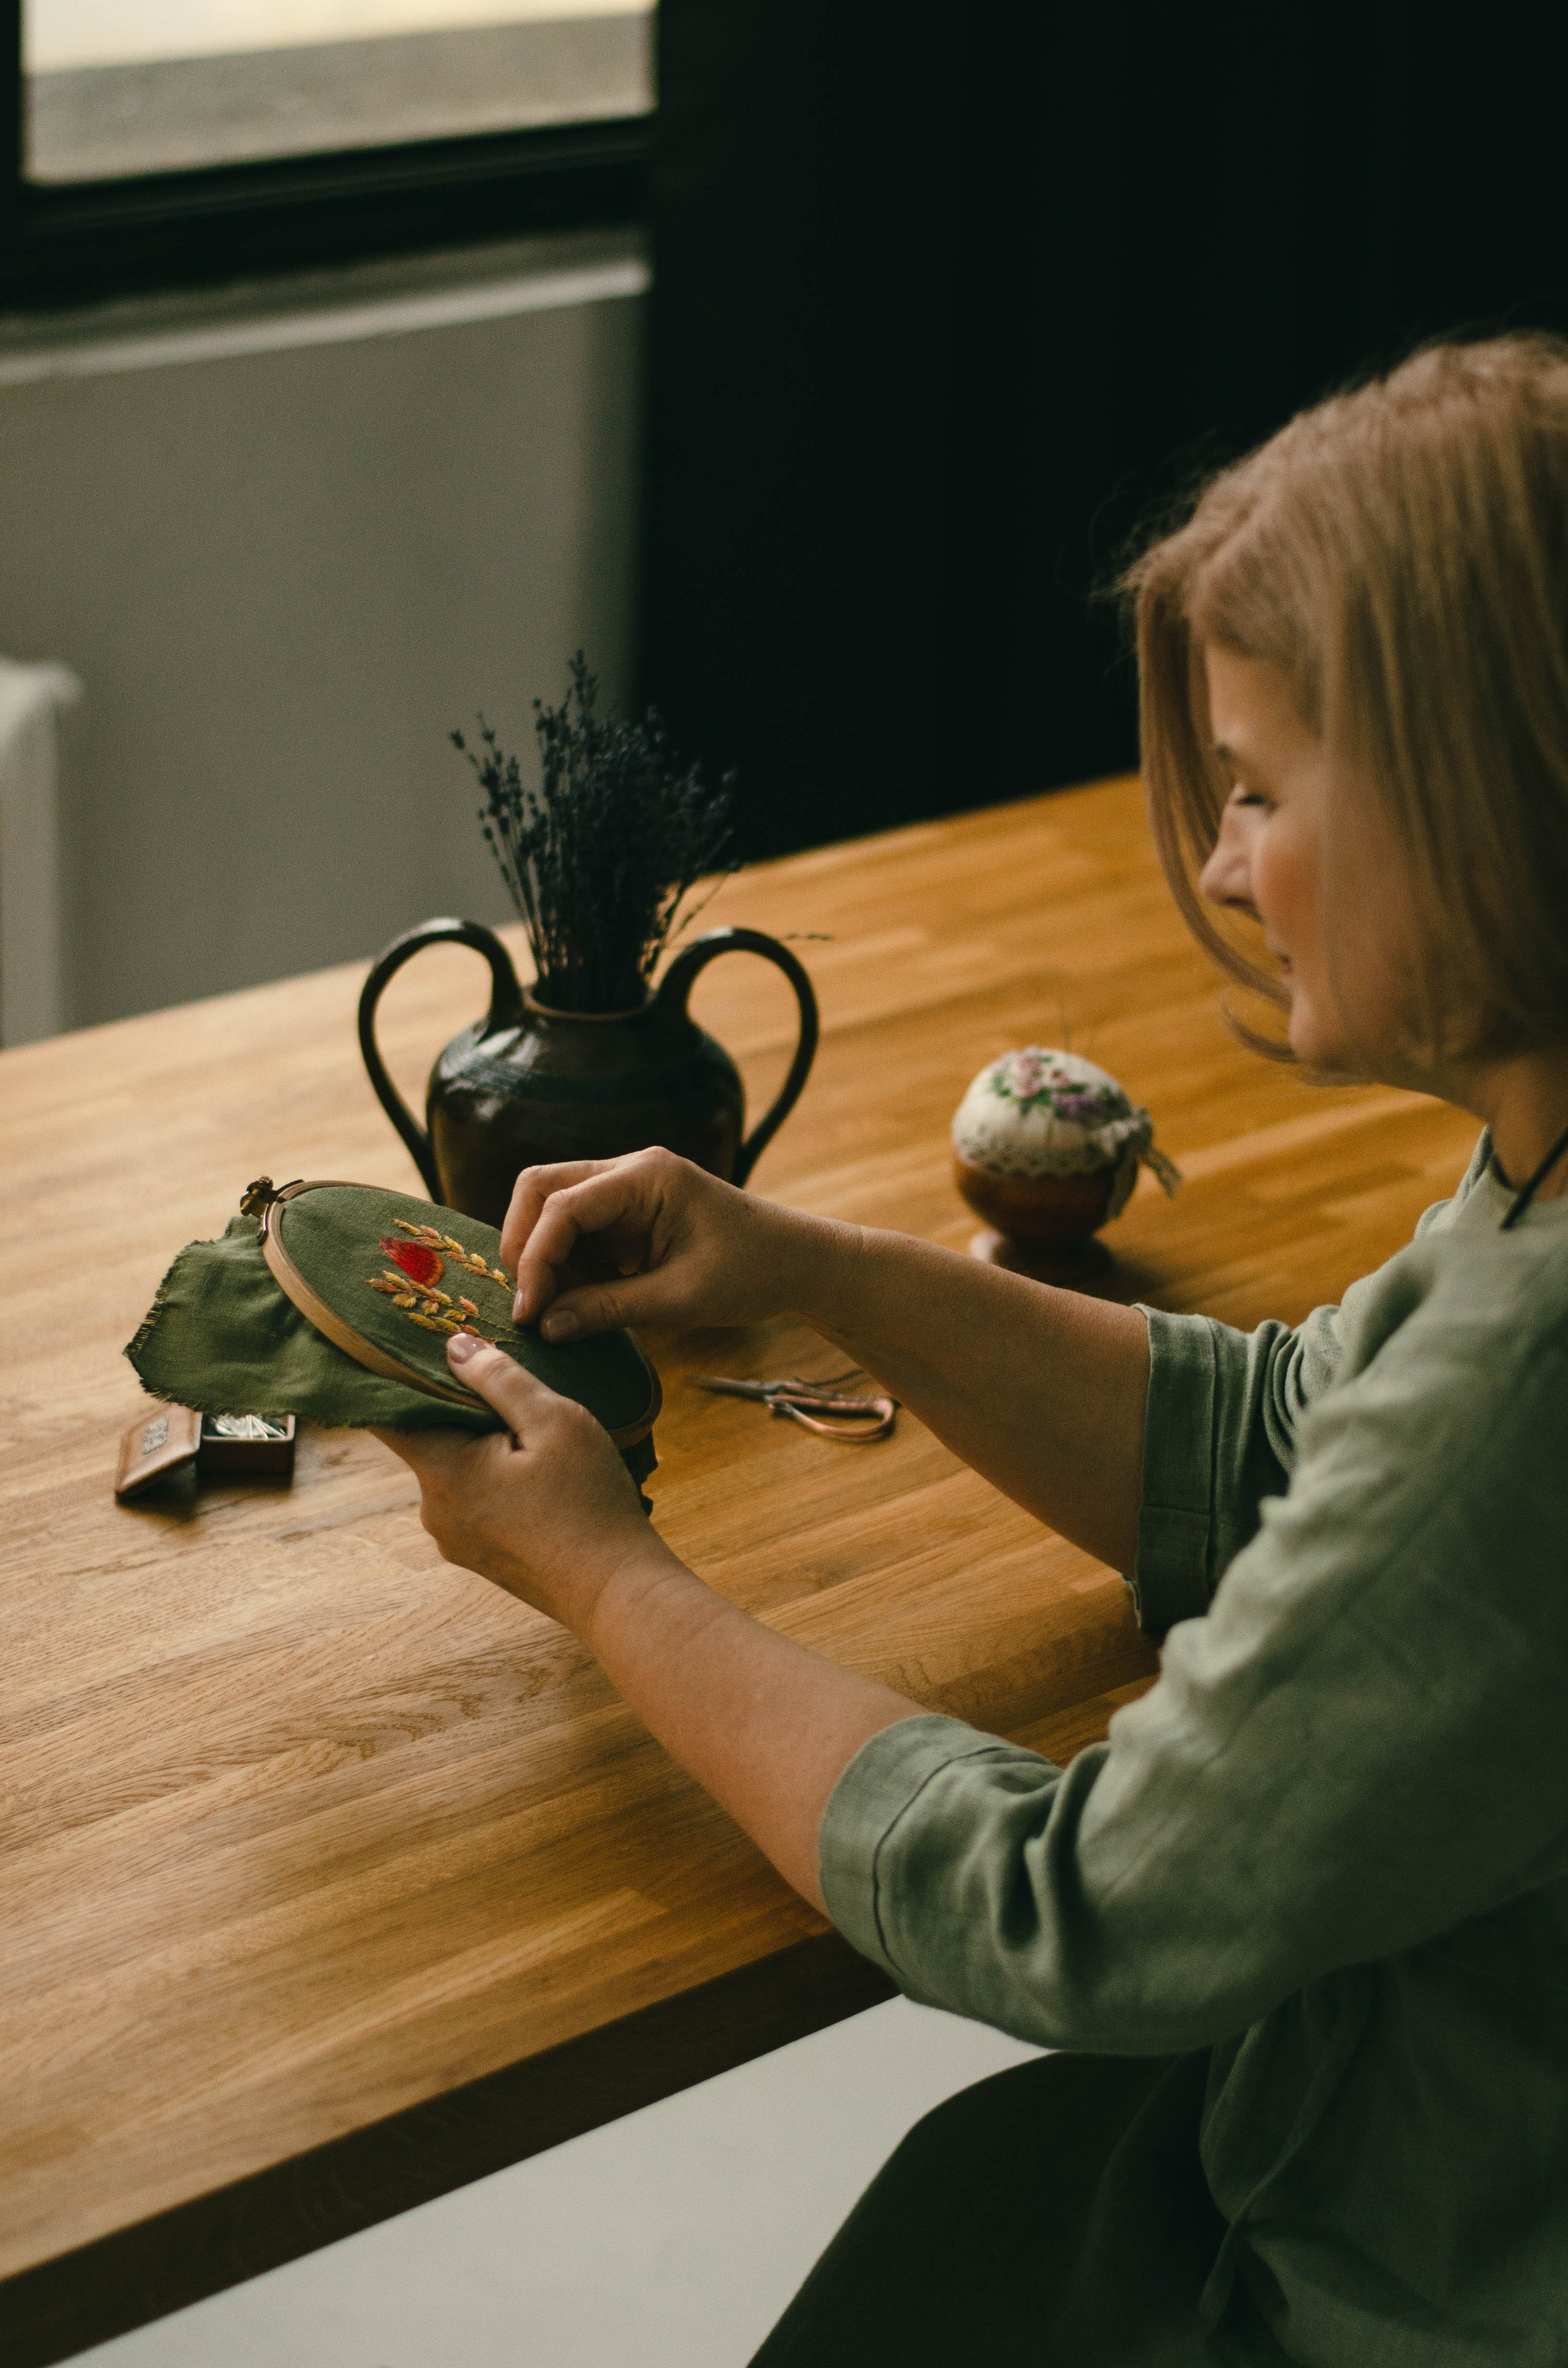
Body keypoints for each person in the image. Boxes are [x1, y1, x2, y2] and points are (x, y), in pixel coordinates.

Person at [380, 336, 1568, 2365]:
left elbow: (1076, 1907)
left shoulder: (1529, 1373)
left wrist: (604, 1573)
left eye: (1263, 790)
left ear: (1482, 787)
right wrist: (809, 1257)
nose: (1215, 863)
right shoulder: (1531, 1175)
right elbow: (1286, 1437)